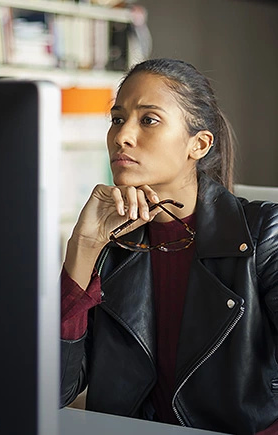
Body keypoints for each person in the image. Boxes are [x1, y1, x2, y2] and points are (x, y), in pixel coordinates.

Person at [60, 58, 278, 435]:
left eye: (148, 120)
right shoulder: (109, 243)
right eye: (117, 118)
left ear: (199, 144)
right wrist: (83, 244)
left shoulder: (263, 232)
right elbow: (53, 391)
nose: (122, 136)